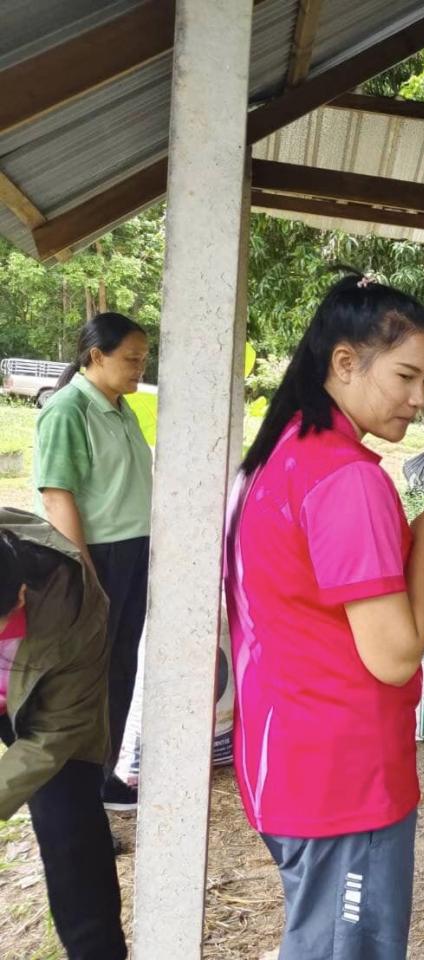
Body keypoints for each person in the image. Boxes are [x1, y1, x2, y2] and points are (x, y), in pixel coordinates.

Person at [224, 273, 424, 960]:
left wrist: (418, 593)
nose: (419, 400)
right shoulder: (347, 477)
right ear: (345, 363)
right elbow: (392, 656)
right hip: (343, 778)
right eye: (408, 377)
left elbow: (309, 602)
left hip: (285, 755)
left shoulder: (279, 454)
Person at [33, 312, 152, 812]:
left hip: (133, 550)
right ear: (96, 356)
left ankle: (104, 777)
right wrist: (84, 572)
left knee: (121, 666)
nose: (140, 369)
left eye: (144, 360)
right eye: (131, 359)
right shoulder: (67, 410)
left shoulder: (121, 407)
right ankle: (80, 789)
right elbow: (59, 496)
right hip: (97, 555)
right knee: (90, 676)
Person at [0, 508, 128, 960]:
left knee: (69, 824)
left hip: (47, 703)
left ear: (19, 594)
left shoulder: (72, 603)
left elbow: (55, 733)